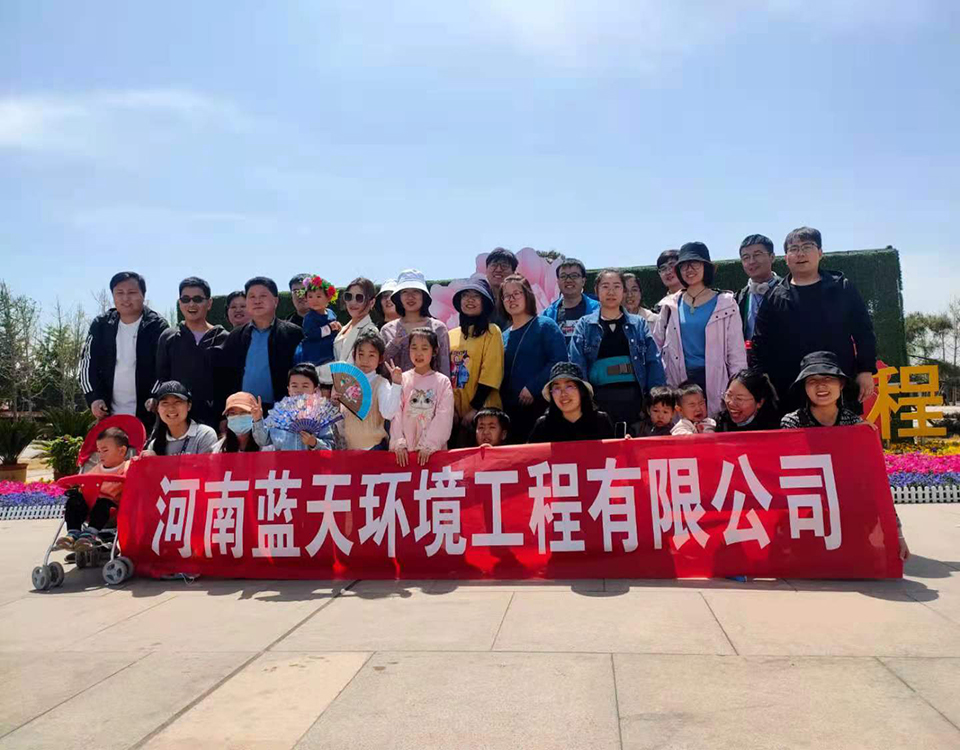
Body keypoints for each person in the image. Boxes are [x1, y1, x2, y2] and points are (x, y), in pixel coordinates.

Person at [750, 227, 877, 414]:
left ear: (820, 253)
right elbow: (760, 344)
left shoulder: (841, 288)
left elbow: (864, 332)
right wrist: (764, 382)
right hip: (789, 388)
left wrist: (865, 371)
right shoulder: (774, 297)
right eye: (794, 249)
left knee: (843, 430)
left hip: (838, 382)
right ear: (786, 258)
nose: (800, 254)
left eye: (807, 247)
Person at [655, 242, 747, 419]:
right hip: (680, 382)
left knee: (714, 427)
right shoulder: (670, 305)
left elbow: (736, 352)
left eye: (695, 264)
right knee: (683, 430)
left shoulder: (726, 303)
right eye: (683, 265)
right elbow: (656, 347)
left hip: (715, 380)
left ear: (707, 267)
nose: (689, 269)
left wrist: (738, 389)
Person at [569, 269, 666, 427]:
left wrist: (656, 399)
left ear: (623, 291)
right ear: (596, 291)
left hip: (635, 403)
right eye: (605, 286)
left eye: (616, 286)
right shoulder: (585, 325)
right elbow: (576, 364)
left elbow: (653, 362)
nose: (611, 292)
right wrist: (585, 401)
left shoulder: (638, 324)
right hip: (597, 404)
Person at [79, 271, 168, 428]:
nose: (125, 298)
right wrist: (94, 397)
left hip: (148, 414)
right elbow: (87, 364)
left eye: (132, 292)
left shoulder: (157, 326)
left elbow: (165, 366)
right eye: (119, 293)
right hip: (109, 414)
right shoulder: (101, 325)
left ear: (143, 295)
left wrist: (155, 395)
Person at [218, 276, 304, 412]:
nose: (257, 301)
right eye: (252, 296)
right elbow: (225, 376)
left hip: (282, 412)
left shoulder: (293, 334)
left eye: (263, 296)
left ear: (276, 301)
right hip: (243, 412)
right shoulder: (235, 336)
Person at [498, 274, 568, 443]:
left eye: (516, 293)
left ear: (527, 295)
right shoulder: (502, 336)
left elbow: (559, 362)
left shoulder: (545, 325)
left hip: (541, 409)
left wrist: (533, 387)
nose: (511, 299)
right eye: (506, 296)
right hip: (510, 414)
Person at [154, 276, 228, 430]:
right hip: (176, 421)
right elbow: (161, 378)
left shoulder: (224, 338)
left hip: (214, 421)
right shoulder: (168, 337)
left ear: (209, 303)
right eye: (186, 299)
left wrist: (226, 417)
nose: (191, 304)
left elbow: (230, 383)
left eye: (198, 299)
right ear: (180, 303)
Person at [448, 278, 504, 446]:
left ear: (485, 303)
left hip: (484, 414)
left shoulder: (492, 332)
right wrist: (451, 410)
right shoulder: (450, 334)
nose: (470, 300)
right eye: (465, 295)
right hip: (455, 416)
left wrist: (474, 409)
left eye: (476, 296)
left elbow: (491, 373)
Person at [56, 426, 130, 551]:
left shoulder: (127, 467)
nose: (100, 455)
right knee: (74, 501)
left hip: (112, 508)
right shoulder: (97, 469)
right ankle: (72, 533)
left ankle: (90, 533)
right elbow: (85, 482)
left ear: (122, 451)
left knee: (103, 504)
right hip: (90, 505)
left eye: (105, 450)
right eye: (99, 451)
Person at [390, 327, 454, 467]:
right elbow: (396, 412)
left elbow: (444, 416)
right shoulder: (403, 379)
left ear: (434, 351)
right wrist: (399, 442)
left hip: (432, 453)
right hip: (405, 455)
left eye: (424, 348)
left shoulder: (442, 382)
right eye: (414, 348)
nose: (418, 353)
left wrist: (429, 444)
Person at [381, 269, 451, 377]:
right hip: (394, 387)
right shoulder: (387, 330)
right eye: (404, 292)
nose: (410, 297)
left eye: (416, 291)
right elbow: (381, 367)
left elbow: (444, 367)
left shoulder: (438, 328)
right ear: (398, 297)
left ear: (424, 296)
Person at [340, 330, 403, 450]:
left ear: (380, 359)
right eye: (361, 354)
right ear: (354, 355)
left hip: (374, 448)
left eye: (371, 355)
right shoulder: (345, 382)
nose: (365, 360)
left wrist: (396, 384)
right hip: (349, 448)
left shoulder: (381, 383)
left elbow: (388, 413)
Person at [252, 365, 336, 451]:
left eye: (305, 386)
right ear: (289, 389)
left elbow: (330, 449)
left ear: (315, 390)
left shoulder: (320, 416)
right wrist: (257, 419)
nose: (299, 390)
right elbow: (263, 441)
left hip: (310, 460)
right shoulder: (280, 414)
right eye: (294, 386)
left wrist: (314, 443)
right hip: (283, 460)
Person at [528, 362, 615, 443]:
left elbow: (613, 452)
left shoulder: (600, 421)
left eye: (569, 386)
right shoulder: (543, 425)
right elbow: (530, 452)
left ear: (582, 391)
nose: (563, 394)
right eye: (557, 388)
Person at [779, 351, 867, 429]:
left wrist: (865, 431)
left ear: (841, 384)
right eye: (812, 380)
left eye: (828, 378)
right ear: (804, 387)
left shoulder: (853, 421)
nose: (820, 385)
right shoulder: (792, 422)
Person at [143, 381, 219, 455]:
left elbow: (205, 464)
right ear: (157, 409)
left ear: (189, 406)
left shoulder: (204, 435)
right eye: (165, 403)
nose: (171, 408)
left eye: (177, 402)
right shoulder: (154, 444)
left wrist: (158, 461)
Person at [543, 258, 599, 344]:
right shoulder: (547, 315)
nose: (568, 280)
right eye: (563, 276)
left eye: (574, 276)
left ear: (583, 281)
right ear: (558, 282)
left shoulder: (599, 310)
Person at [734, 234, 780, 341]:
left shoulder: (788, 291)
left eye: (757, 255)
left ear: (772, 257)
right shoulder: (737, 298)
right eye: (746, 257)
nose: (751, 261)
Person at [293, 275, 342, 366]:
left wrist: (339, 328)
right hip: (314, 353)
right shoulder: (309, 317)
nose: (314, 300)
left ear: (328, 298)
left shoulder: (331, 313)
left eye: (318, 296)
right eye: (310, 297)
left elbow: (335, 328)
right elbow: (310, 333)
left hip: (331, 350)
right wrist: (329, 328)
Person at [715, 368, 781, 432]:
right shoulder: (719, 423)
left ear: (760, 402)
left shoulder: (773, 430)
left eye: (739, 399)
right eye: (729, 395)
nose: (731, 403)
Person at [333, 277, 379, 362]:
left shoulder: (370, 331)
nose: (352, 302)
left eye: (359, 298)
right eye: (349, 296)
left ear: (372, 302)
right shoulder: (344, 328)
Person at [485, 247, 518, 329]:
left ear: (513, 273)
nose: (498, 269)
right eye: (494, 265)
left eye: (504, 265)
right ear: (486, 270)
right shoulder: (480, 299)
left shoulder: (521, 300)